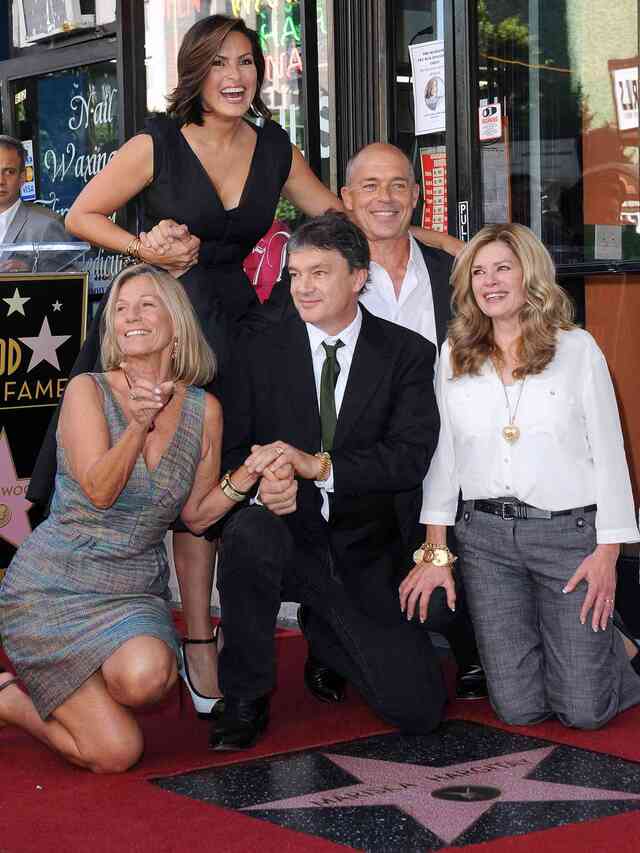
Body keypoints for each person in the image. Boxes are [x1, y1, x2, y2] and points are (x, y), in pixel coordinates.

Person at [29, 14, 462, 716]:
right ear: (195, 73)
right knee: (164, 476)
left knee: (207, 484)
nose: (236, 76)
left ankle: (213, 637)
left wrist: (442, 241)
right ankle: (195, 635)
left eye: (247, 63)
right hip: (168, 321)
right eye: (220, 63)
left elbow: (348, 221)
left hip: (236, 324)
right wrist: (149, 249)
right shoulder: (158, 142)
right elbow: (82, 215)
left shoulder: (274, 147)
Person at [0, 264, 273, 773]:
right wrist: (138, 427)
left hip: (129, 590)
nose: (131, 317)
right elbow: (100, 491)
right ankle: (11, 699)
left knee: (147, 679)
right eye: (121, 308)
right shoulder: (88, 390)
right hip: (52, 586)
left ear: (176, 321)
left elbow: (195, 516)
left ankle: (79, 689)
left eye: (148, 305)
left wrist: (246, 478)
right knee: (116, 754)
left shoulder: (203, 409)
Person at [210, 211, 450, 751]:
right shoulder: (258, 349)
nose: (303, 286)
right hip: (287, 535)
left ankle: (328, 632)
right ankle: (245, 694)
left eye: (319, 272)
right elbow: (233, 449)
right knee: (250, 533)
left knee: (419, 710)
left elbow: (410, 458)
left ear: (358, 277)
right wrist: (262, 479)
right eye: (295, 274)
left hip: (367, 548)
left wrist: (319, 467)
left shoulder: (407, 353)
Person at [414, 223, 640, 729]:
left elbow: (610, 452)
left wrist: (609, 552)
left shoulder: (576, 349)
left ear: (529, 276)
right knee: (519, 709)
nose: (489, 282)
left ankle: (620, 649)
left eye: (502, 269)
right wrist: (435, 550)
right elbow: (443, 456)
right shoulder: (454, 353)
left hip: (568, 537)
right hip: (486, 541)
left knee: (583, 712)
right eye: (478, 272)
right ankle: (575, 649)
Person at [337, 141, 485, 701]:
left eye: (398, 184)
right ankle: (336, 641)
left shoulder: (453, 273)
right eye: (370, 186)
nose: (385, 197)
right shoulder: (329, 276)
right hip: (364, 456)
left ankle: (469, 642)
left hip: (449, 446)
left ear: (418, 196)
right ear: (348, 200)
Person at [0, 135, 75, 271]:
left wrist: (32, 273)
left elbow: (70, 283)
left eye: (9, 172)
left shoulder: (47, 225)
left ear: (23, 178)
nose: (1, 180)